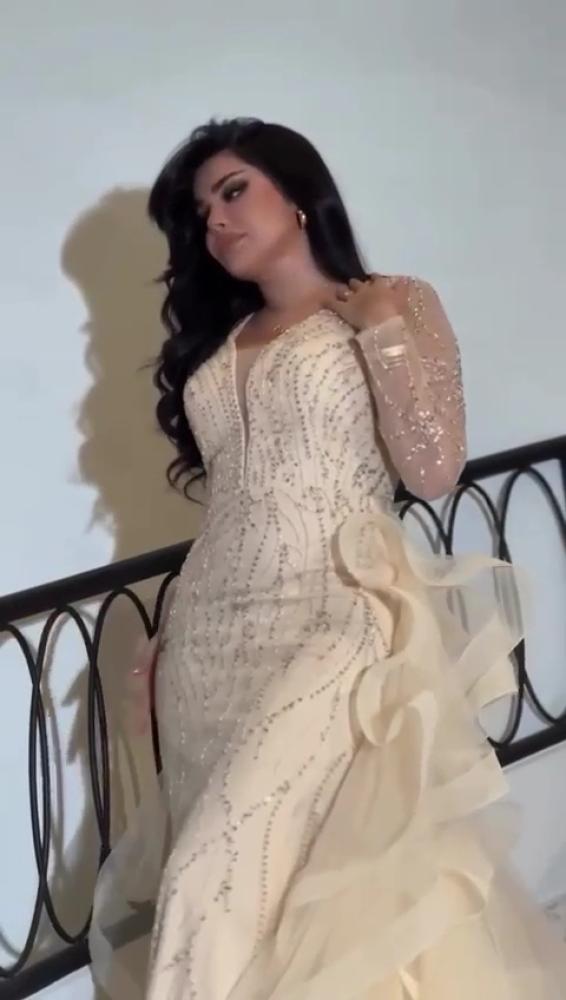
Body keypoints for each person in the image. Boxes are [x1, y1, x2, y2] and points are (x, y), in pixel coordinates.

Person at [90, 117, 566, 999]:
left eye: (234, 190)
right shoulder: (221, 340)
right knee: (268, 898)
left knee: (215, 870)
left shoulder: (396, 299)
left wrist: (382, 331)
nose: (215, 220)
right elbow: (234, 501)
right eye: (200, 211)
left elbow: (433, 470)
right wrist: (168, 633)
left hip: (336, 612)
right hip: (208, 644)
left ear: (301, 193)